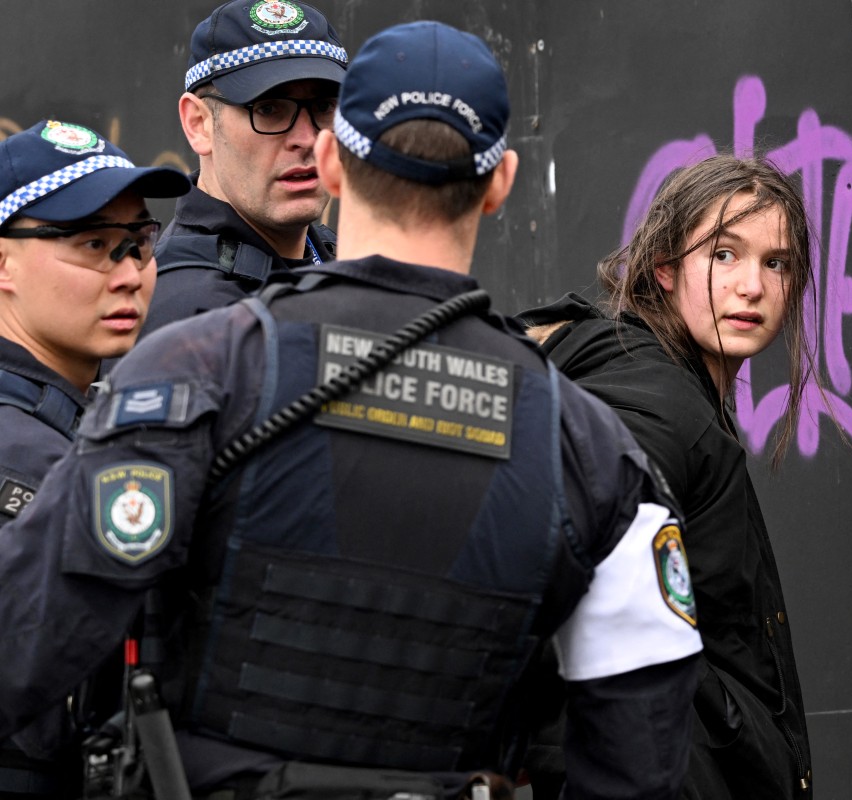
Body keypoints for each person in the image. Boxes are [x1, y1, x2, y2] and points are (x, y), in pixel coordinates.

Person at [0, 20, 703, 800]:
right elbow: (641, 760)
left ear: (332, 163)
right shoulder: (593, 450)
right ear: (501, 183)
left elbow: (24, 644)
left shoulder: (193, 374)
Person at [519, 154, 818, 799]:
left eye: (777, 263)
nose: (752, 287)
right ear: (664, 267)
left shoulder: (662, 381)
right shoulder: (655, 398)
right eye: (724, 255)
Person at [0, 120, 189, 798]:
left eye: (140, 242)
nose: (130, 274)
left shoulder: (68, 427)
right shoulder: (22, 456)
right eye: (94, 245)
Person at [142, 0, 346, 335]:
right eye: (268, 109)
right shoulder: (183, 313)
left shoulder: (333, 256)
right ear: (198, 124)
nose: (306, 139)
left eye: (324, 106)